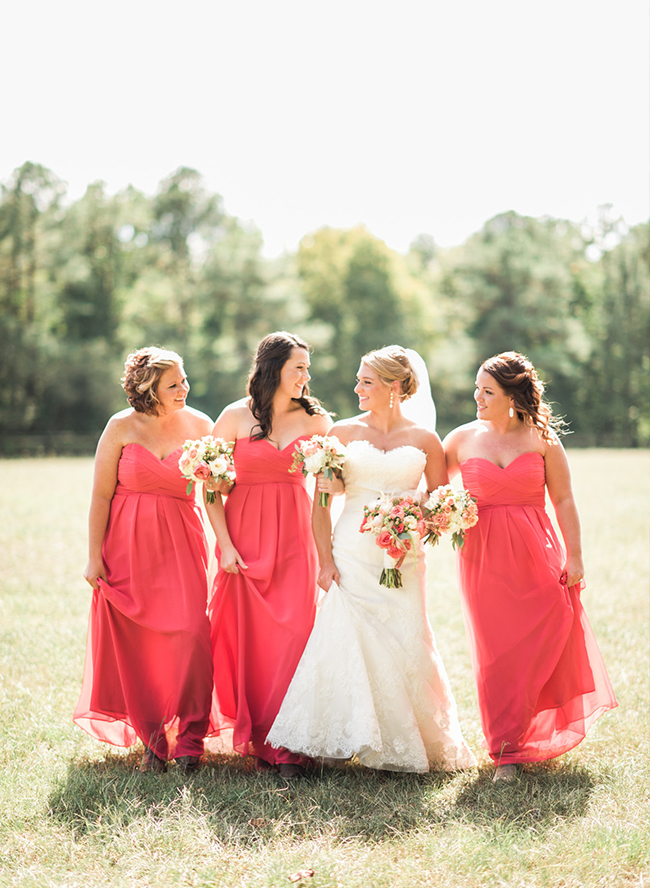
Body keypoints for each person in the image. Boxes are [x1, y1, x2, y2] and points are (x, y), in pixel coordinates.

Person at [267, 346, 476, 773]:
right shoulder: (342, 434)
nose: (357, 388)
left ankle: (401, 741)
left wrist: (414, 513)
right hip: (350, 552)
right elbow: (322, 504)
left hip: (401, 558)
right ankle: (332, 739)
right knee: (343, 639)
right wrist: (325, 561)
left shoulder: (424, 440)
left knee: (405, 636)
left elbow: (439, 503)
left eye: (366, 381)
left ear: (393, 387)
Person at [443, 351, 617, 781]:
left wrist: (574, 555)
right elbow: (433, 490)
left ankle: (533, 730)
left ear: (512, 397)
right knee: (495, 652)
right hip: (482, 558)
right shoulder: (460, 440)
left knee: (546, 634)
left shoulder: (542, 439)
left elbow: (563, 499)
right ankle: (506, 751)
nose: (477, 397)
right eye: (477, 389)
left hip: (538, 553)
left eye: (487, 391)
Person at [74, 347, 215, 773]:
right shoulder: (119, 427)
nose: (184, 389)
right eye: (174, 384)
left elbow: (218, 491)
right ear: (148, 388)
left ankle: (190, 740)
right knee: (139, 646)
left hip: (182, 545)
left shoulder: (201, 425)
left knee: (192, 636)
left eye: (184, 379)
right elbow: (100, 495)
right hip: (127, 549)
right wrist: (93, 558)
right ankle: (153, 740)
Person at [204, 331, 332, 778]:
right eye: (299, 367)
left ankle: (291, 744)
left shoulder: (316, 421)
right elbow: (209, 488)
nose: (306, 376)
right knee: (249, 645)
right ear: (274, 368)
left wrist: (327, 552)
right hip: (243, 545)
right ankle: (260, 742)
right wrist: (225, 545)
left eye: (307, 368)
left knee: (294, 639)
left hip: (296, 544)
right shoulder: (235, 417)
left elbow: (326, 496)